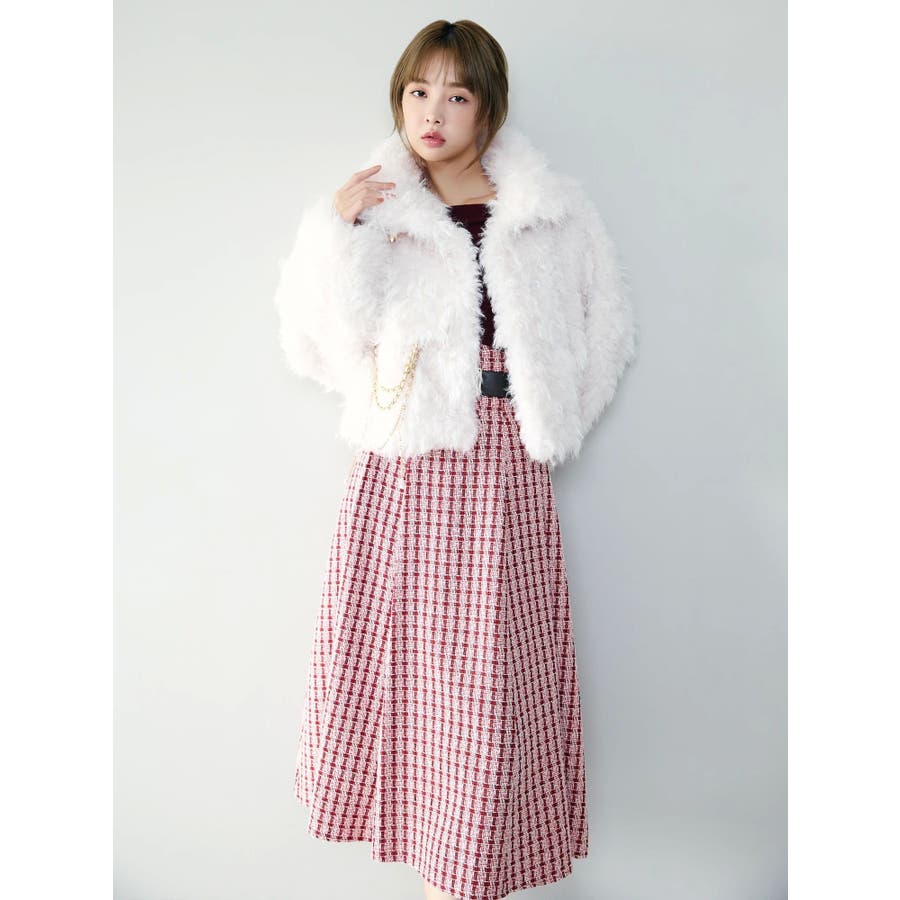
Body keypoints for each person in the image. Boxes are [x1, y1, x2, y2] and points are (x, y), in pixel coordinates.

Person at [273, 19, 638, 900]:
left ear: (489, 107)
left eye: (457, 94)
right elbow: (315, 346)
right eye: (417, 92)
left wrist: (544, 419)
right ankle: (427, 851)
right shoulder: (373, 208)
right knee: (402, 672)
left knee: (492, 684)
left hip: (506, 467)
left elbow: (606, 332)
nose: (432, 113)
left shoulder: (548, 211)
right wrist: (337, 236)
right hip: (405, 467)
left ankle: (473, 867)